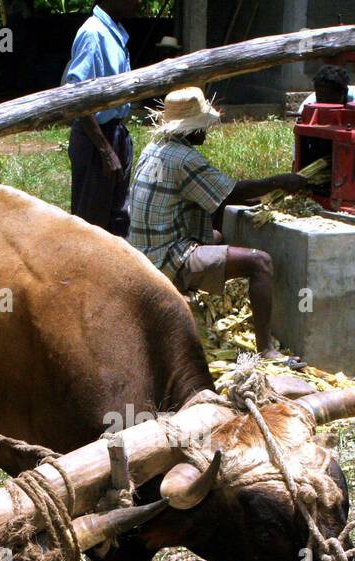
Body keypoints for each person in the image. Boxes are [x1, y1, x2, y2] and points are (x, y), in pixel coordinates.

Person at [129, 87, 311, 359]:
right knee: (260, 262)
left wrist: (254, 198)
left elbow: (214, 194)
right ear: (191, 128)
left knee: (215, 236)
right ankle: (266, 349)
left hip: (144, 253)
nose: (207, 130)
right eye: (203, 125)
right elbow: (229, 192)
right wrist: (280, 182)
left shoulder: (155, 148)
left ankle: (202, 303)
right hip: (165, 259)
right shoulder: (185, 158)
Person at [64, 2, 140, 236]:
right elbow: (78, 97)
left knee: (118, 219)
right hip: (96, 138)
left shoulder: (114, 32)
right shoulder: (93, 33)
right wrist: (106, 150)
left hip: (114, 133)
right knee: (90, 226)